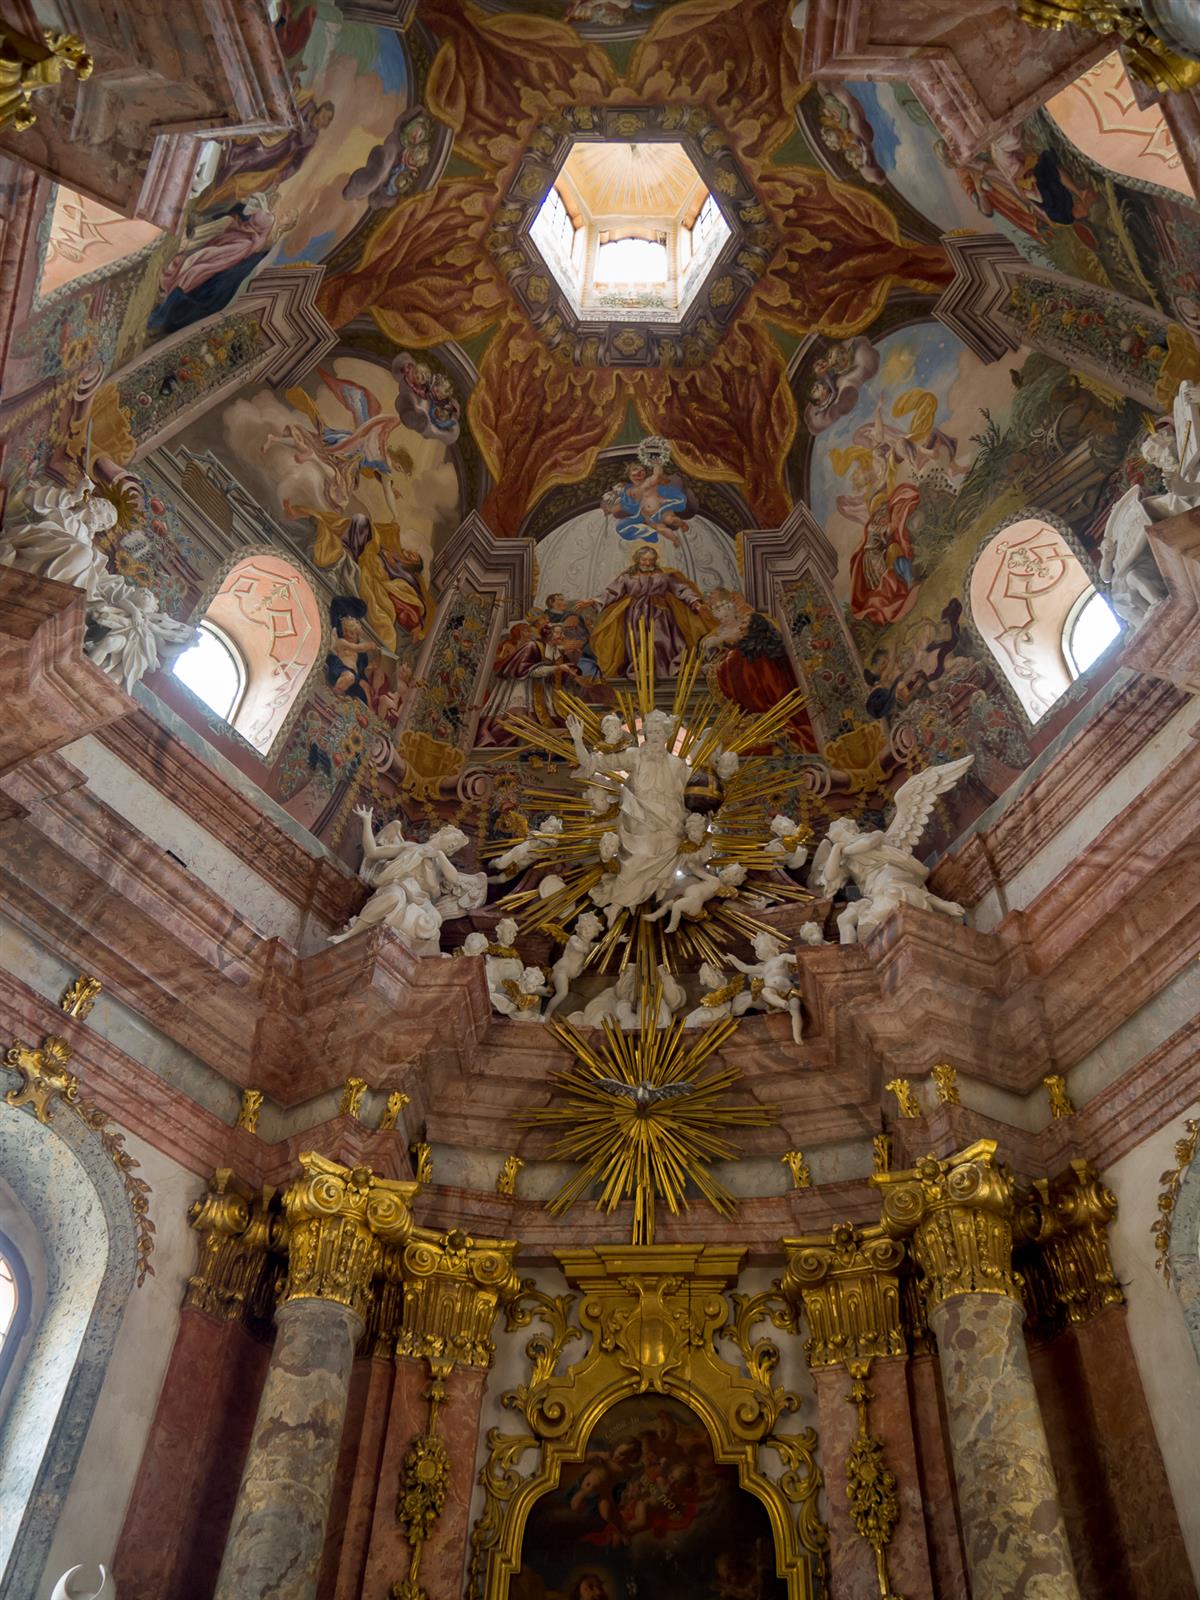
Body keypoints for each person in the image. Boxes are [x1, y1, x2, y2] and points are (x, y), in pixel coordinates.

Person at [148, 194, 295, 337]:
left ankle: (168, 302)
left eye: (288, 216)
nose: (285, 214)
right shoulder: (267, 215)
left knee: (201, 267)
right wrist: (243, 223)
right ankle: (169, 297)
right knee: (199, 262)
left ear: (289, 224)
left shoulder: (271, 226)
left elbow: (258, 239)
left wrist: (249, 228)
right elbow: (251, 224)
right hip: (236, 239)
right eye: (287, 213)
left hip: (239, 248)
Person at [589, 547, 711, 679]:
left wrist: (695, 603)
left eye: (651, 560)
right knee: (638, 642)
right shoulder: (627, 577)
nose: (647, 563)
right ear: (637, 560)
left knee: (662, 640)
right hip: (635, 615)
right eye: (644, 560)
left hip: (660, 614)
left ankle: (669, 669)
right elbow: (612, 592)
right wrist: (593, 601)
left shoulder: (665, 575)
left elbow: (682, 590)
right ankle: (641, 670)